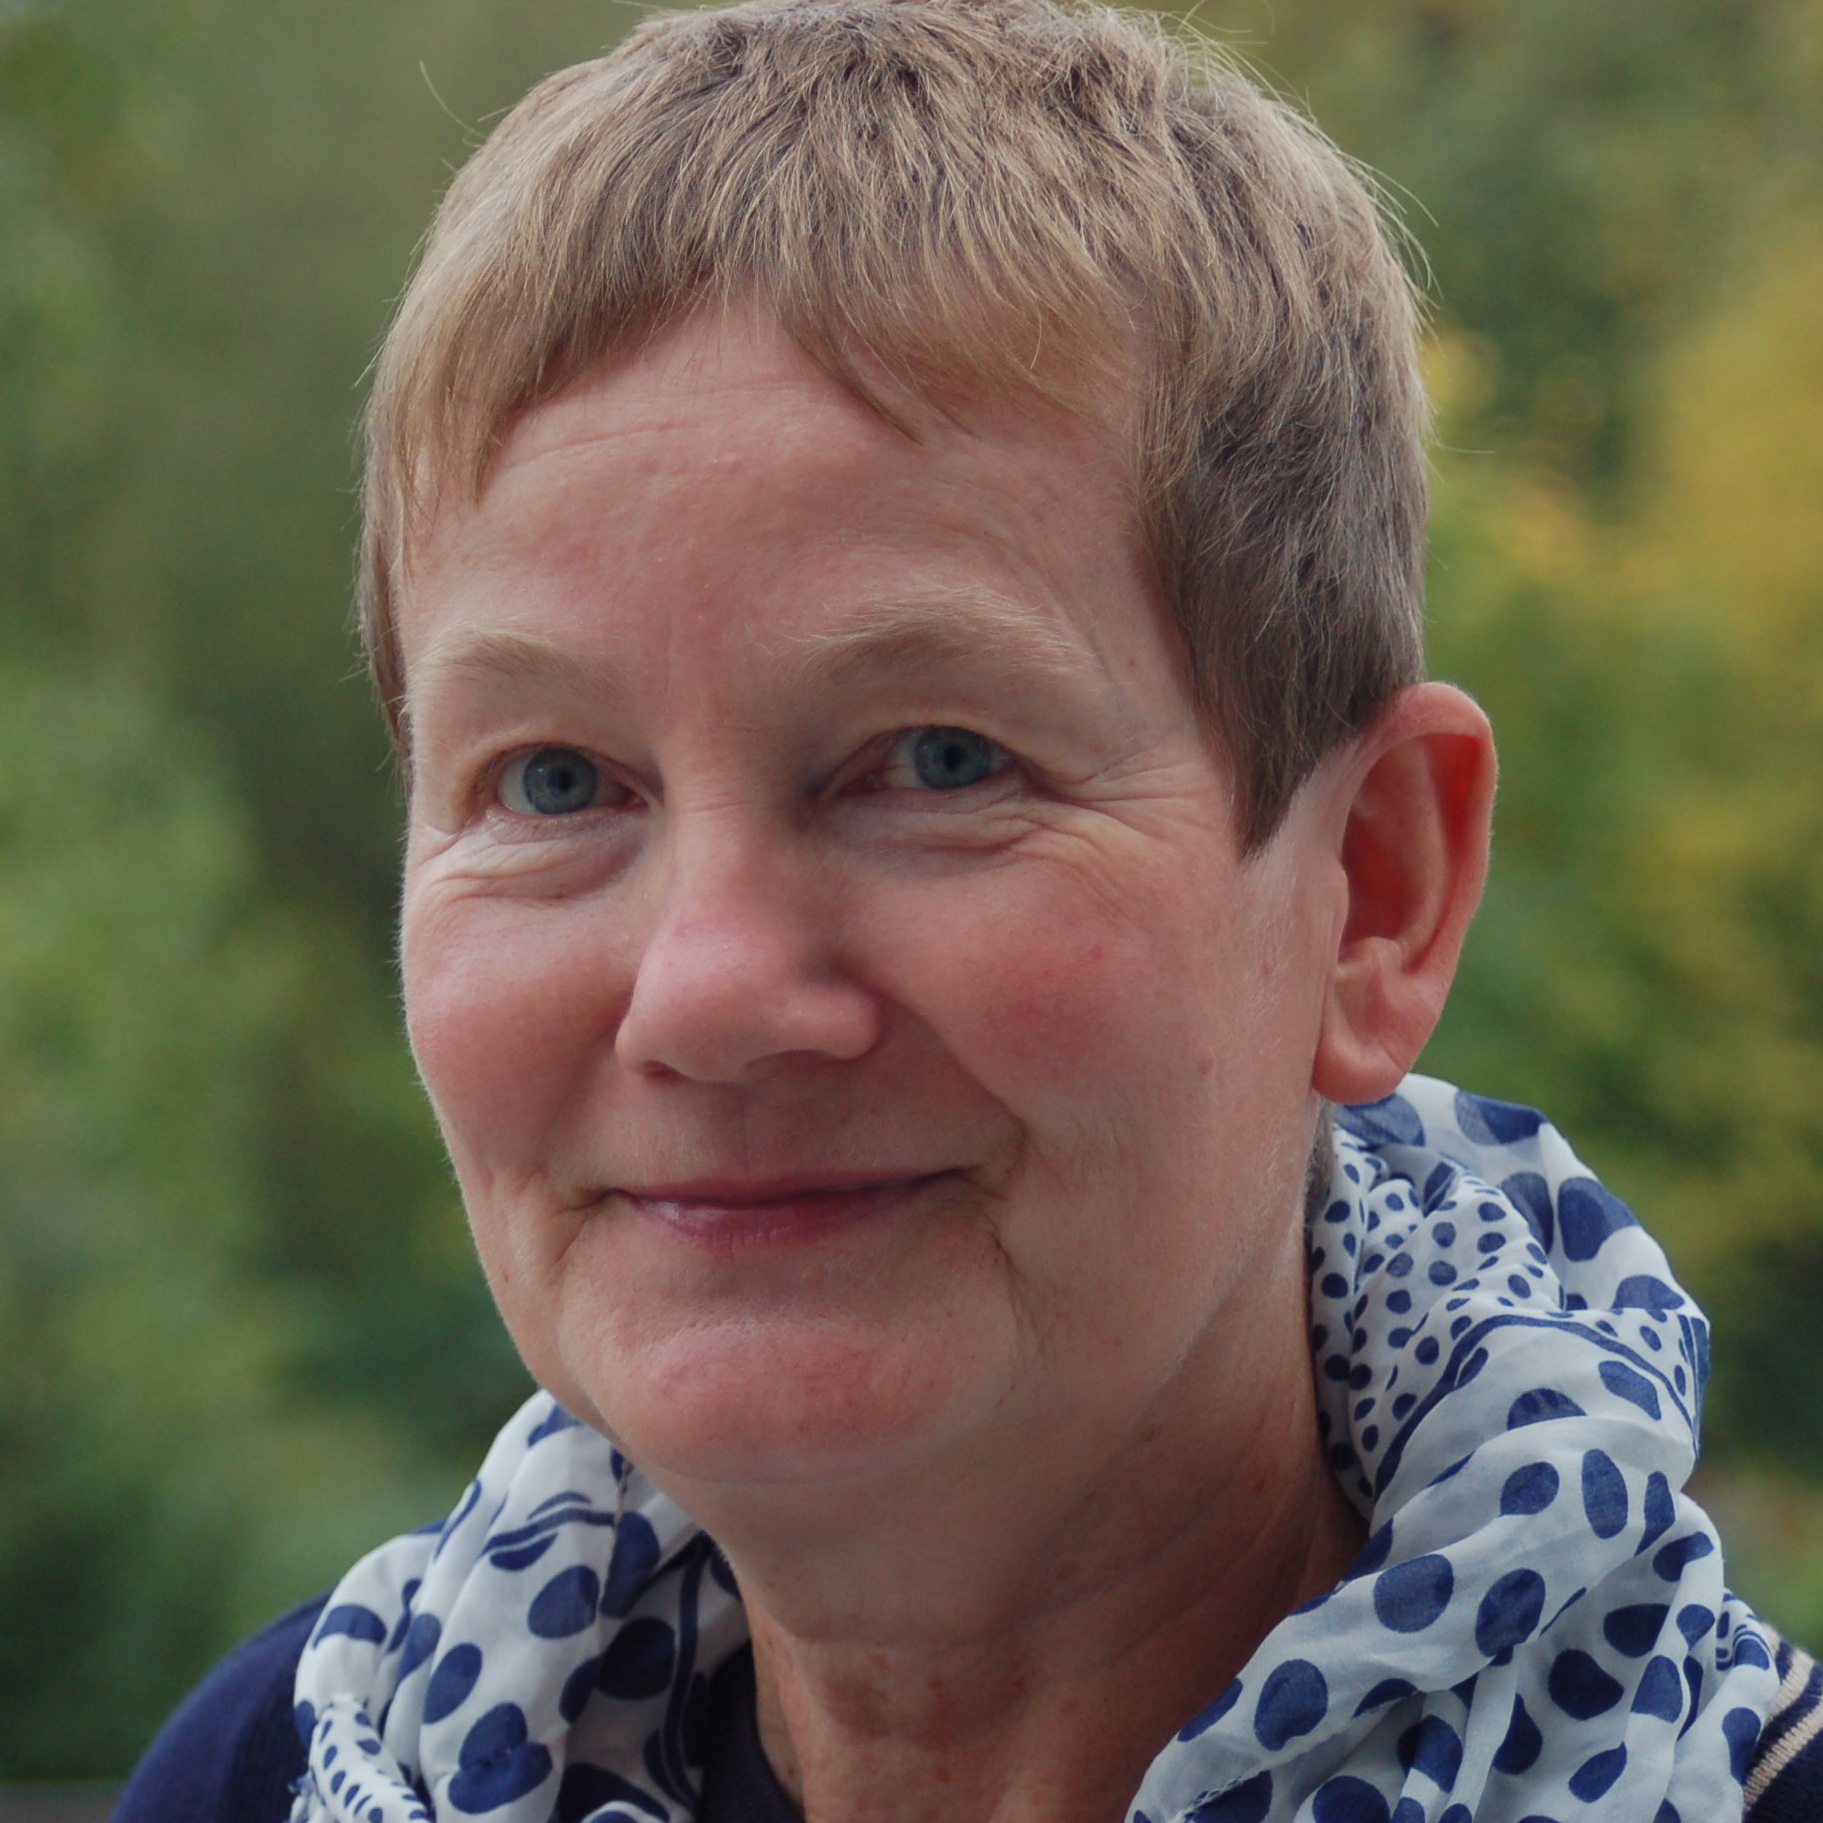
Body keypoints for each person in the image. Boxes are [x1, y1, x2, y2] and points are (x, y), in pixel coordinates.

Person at [114, 0, 1823, 1818]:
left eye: (938, 763)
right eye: (552, 783)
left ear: (1372, 896)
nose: (707, 993)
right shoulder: (276, 1774)